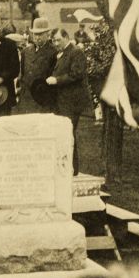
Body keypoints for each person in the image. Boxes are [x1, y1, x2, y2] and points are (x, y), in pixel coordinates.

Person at [47, 28, 91, 176]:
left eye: (58, 40)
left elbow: (76, 74)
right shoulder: (62, 53)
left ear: (66, 37)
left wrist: (56, 80)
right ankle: (67, 167)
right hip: (63, 101)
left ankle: (72, 168)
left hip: (72, 102)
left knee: (68, 133)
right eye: (54, 41)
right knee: (64, 133)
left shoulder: (76, 52)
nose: (56, 43)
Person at [15, 17, 58, 114]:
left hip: (43, 99)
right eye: (35, 34)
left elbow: (54, 77)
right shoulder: (26, 52)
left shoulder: (53, 52)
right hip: (26, 98)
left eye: (40, 34)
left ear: (47, 34)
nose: (37, 37)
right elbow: (23, 74)